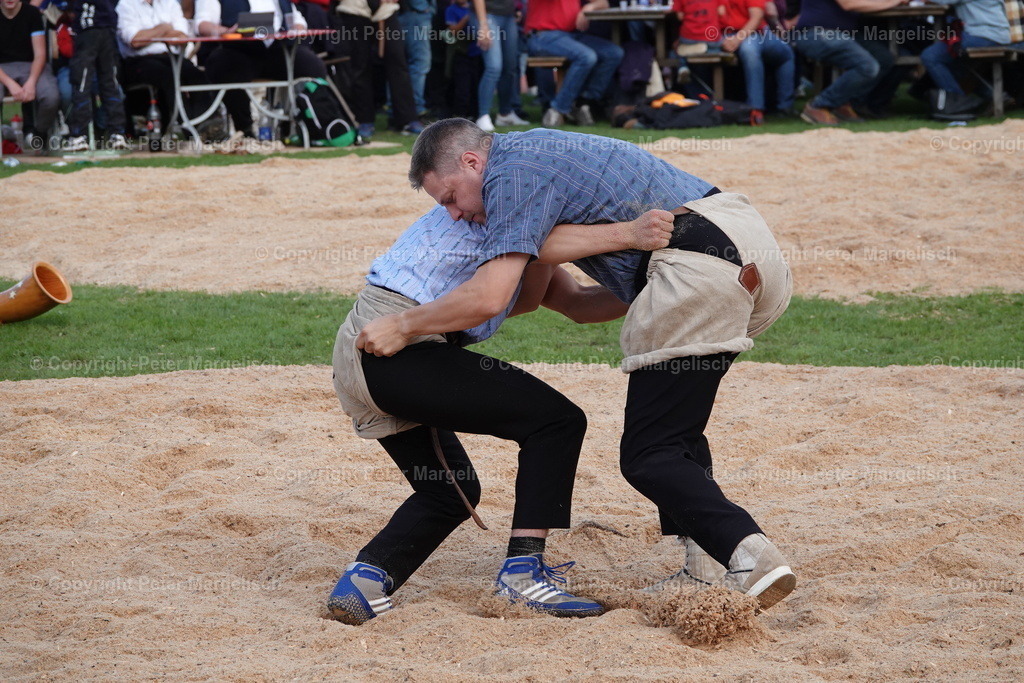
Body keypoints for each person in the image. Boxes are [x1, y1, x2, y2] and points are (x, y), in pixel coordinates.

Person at [359, 119, 798, 612]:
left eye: (450, 198)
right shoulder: (545, 159)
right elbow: (578, 304)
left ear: (472, 162)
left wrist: (402, 325)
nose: (455, 214)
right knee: (675, 421)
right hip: (749, 252)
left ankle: (749, 552)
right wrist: (628, 244)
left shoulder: (512, 174)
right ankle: (705, 570)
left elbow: (491, 296)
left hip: (695, 261)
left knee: (649, 455)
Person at [327, 204, 674, 624]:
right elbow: (497, 293)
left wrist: (658, 288)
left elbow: (579, 304)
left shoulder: (522, 230)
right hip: (391, 345)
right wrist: (635, 234)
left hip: (368, 350)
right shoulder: (514, 215)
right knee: (556, 421)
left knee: (450, 492)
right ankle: (523, 576)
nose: (453, 207)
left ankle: (364, 581)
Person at [195, 0, 327, 137]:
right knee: (224, 65)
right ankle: (244, 129)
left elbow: (298, 21)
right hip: (238, 50)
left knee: (312, 65)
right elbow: (202, 24)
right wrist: (226, 31)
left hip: (278, 49)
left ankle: (314, 126)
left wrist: (296, 29)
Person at [789, 0, 902, 125]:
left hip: (842, 33)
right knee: (867, 66)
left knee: (883, 59)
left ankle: (843, 103)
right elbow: (850, 4)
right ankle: (819, 105)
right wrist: (897, 1)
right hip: (816, 33)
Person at [116, 0, 213, 133]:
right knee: (169, 77)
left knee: (198, 76)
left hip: (171, 57)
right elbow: (135, 39)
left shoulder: (170, 3)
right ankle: (188, 129)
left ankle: (200, 125)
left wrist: (151, 34)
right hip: (139, 61)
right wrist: (164, 28)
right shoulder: (125, 5)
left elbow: (181, 35)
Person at [332, 0, 424, 139]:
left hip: (386, 9)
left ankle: (407, 119)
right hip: (355, 8)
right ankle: (365, 120)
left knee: (398, 63)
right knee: (360, 66)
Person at [524, 0, 623, 127]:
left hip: (570, 35)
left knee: (613, 53)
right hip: (542, 35)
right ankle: (557, 109)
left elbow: (604, 3)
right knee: (586, 56)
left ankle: (582, 102)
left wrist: (589, 6)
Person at [920, 0, 1013, 105]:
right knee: (953, 62)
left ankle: (957, 101)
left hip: (983, 35)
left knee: (931, 56)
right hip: (997, 34)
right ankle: (992, 95)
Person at [65, 0, 129, 151]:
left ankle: (79, 135)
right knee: (109, 83)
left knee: (82, 83)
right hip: (107, 29)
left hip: (88, 29)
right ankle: (117, 133)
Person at [719, 0, 795, 124]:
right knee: (750, 49)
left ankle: (784, 106)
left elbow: (757, 16)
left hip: (752, 33)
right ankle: (755, 109)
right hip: (720, 35)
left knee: (785, 53)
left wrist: (737, 39)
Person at [0, 0, 60, 152]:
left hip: (31, 65)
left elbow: (40, 54)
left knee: (51, 96)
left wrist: (31, 82)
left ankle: (38, 134)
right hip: (2, 69)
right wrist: (10, 83)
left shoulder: (32, 13)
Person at [471, 0, 528, 131]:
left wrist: (516, 8)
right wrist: (483, 24)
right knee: (494, 66)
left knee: (510, 67)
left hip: (508, 16)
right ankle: (483, 115)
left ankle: (505, 114)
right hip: (487, 15)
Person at [445, 0, 484, 117]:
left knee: (476, 86)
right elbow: (452, 31)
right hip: (461, 53)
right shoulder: (451, 9)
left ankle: (476, 114)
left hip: (477, 53)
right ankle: (460, 116)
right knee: (463, 88)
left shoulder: (475, 8)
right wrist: (466, 19)